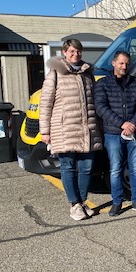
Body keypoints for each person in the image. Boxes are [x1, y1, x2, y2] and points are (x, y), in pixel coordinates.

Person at [40, 39, 102, 221]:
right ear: (65, 52)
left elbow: (94, 102)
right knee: (68, 167)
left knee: (87, 167)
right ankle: (74, 204)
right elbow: (46, 103)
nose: (76, 55)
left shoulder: (87, 74)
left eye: (79, 52)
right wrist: (45, 131)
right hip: (64, 128)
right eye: (72, 52)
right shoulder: (55, 74)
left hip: (87, 129)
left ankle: (82, 202)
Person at [94, 51, 136, 216]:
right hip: (113, 133)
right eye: (121, 63)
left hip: (135, 132)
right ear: (113, 63)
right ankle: (117, 202)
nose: (124, 66)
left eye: (126, 63)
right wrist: (122, 123)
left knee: (135, 167)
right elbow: (101, 108)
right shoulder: (103, 84)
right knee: (116, 169)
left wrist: (133, 123)